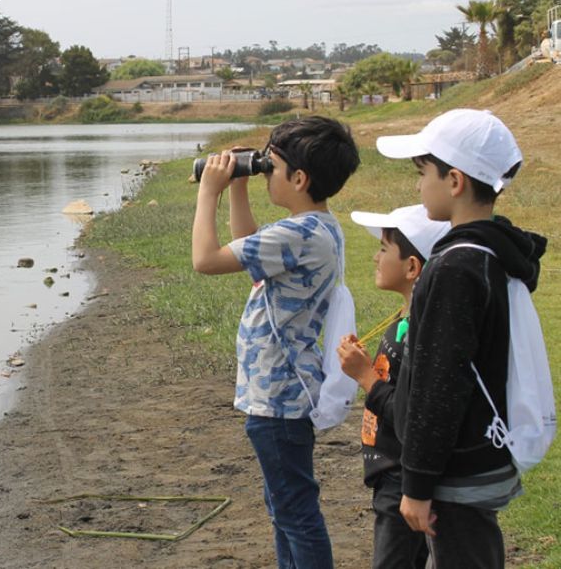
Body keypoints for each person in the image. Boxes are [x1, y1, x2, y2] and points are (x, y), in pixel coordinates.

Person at [375, 108, 547, 568]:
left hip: (456, 467)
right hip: (479, 454)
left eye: (421, 173)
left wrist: (417, 484)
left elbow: (439, 385)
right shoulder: (489, 253)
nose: (417, 186)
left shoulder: (454, 267)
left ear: (453, 180)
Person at [192, 115, 360, 569]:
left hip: (280, 398)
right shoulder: (317, 227)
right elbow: (248, 247)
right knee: (285, 510)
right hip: (284, 392)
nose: (267, 170)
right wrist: (240, 183)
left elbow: (206, 260)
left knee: (296, 514)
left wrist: (208, 191)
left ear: (299, 178)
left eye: (273, 165)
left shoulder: (297, 233)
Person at [337, 204, 450, 569]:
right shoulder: (405, 317)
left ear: (413, 268)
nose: (375, 255)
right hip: (392, 475)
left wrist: (365, 376)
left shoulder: (421, 330)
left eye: (384, 248)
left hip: (403, 477)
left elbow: (409, 411)